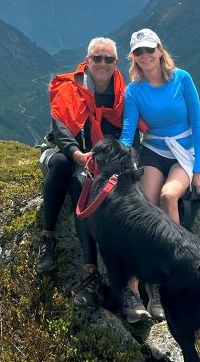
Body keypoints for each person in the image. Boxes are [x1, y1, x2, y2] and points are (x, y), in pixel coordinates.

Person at [36, 37, 149, 320]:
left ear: (116, 63)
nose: (102, 64)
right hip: (68, 155)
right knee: (67, 169)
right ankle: (48, 239)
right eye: (97, 58)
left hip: (102, 163)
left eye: (108, 59)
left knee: (92, 184)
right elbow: (61, 132)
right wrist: (79, 156)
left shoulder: (124, 96)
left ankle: (105, 277)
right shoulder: (69, 89)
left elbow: (130, 135)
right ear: (87, 61)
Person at [119, 27, 200, 321]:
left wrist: (199, 171)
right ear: (133, 57)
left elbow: (197, 124)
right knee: (143, 210)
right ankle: (134, 290)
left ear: (160, 50)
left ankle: (172, 275)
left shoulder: (182, 79)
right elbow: (128, 130)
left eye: (149, 50)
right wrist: (117, 159)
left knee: (168, 196)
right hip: (154, 151)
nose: (145, 56)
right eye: (138, 52)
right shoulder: (134, 90)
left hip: (183, 151)